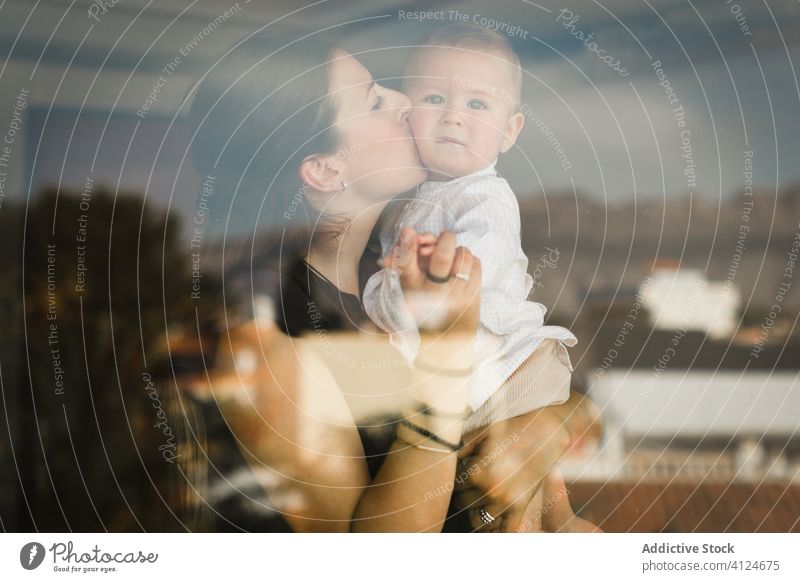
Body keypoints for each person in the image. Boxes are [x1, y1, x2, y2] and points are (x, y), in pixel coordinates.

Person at [186, 32, 600, 532]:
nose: (405, 102)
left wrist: (548, 422)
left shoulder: (394, 263)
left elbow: (530, 375)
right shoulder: (275, 341)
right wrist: (444, 367)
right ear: (325, 169)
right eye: (375, 100)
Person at [364, 24, 577, 427]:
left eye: (477, 105)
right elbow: (390, 305)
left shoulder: (487, 196)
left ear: (509, 132)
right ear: (409, 113)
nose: (452, 117)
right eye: (435, 98)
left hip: (509, 371)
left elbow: (478, 262)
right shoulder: (400, 208)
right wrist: (391, 285)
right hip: (454, 382)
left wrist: (420, 271)